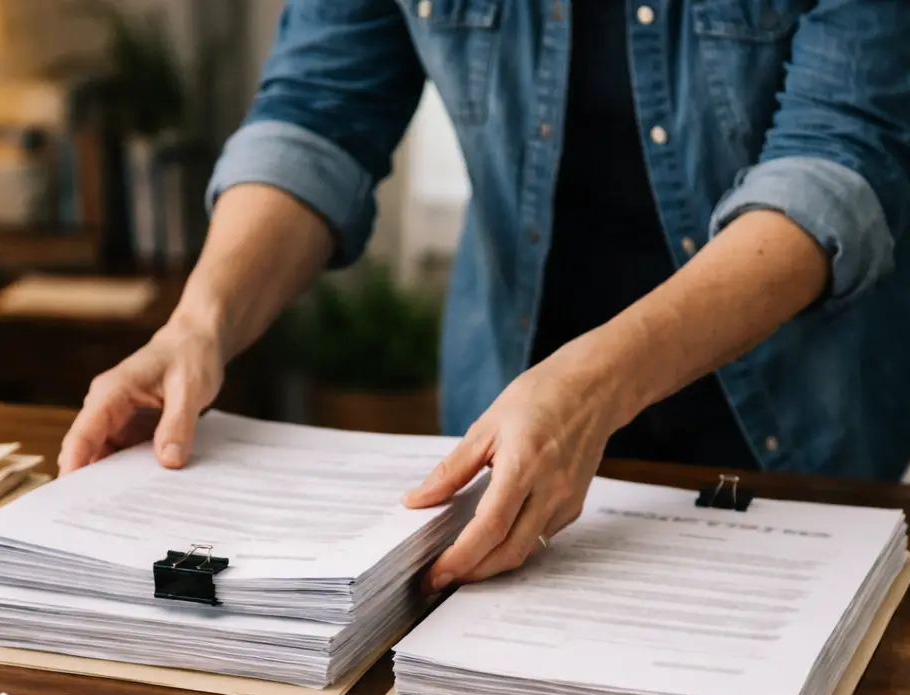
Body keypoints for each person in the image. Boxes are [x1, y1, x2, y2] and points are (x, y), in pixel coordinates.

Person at [59, 0, 910, 592]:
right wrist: (199, 322)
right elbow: (319, 113)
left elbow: (836, 165)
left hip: (795, 446)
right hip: (505, 437)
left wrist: (595, 385)